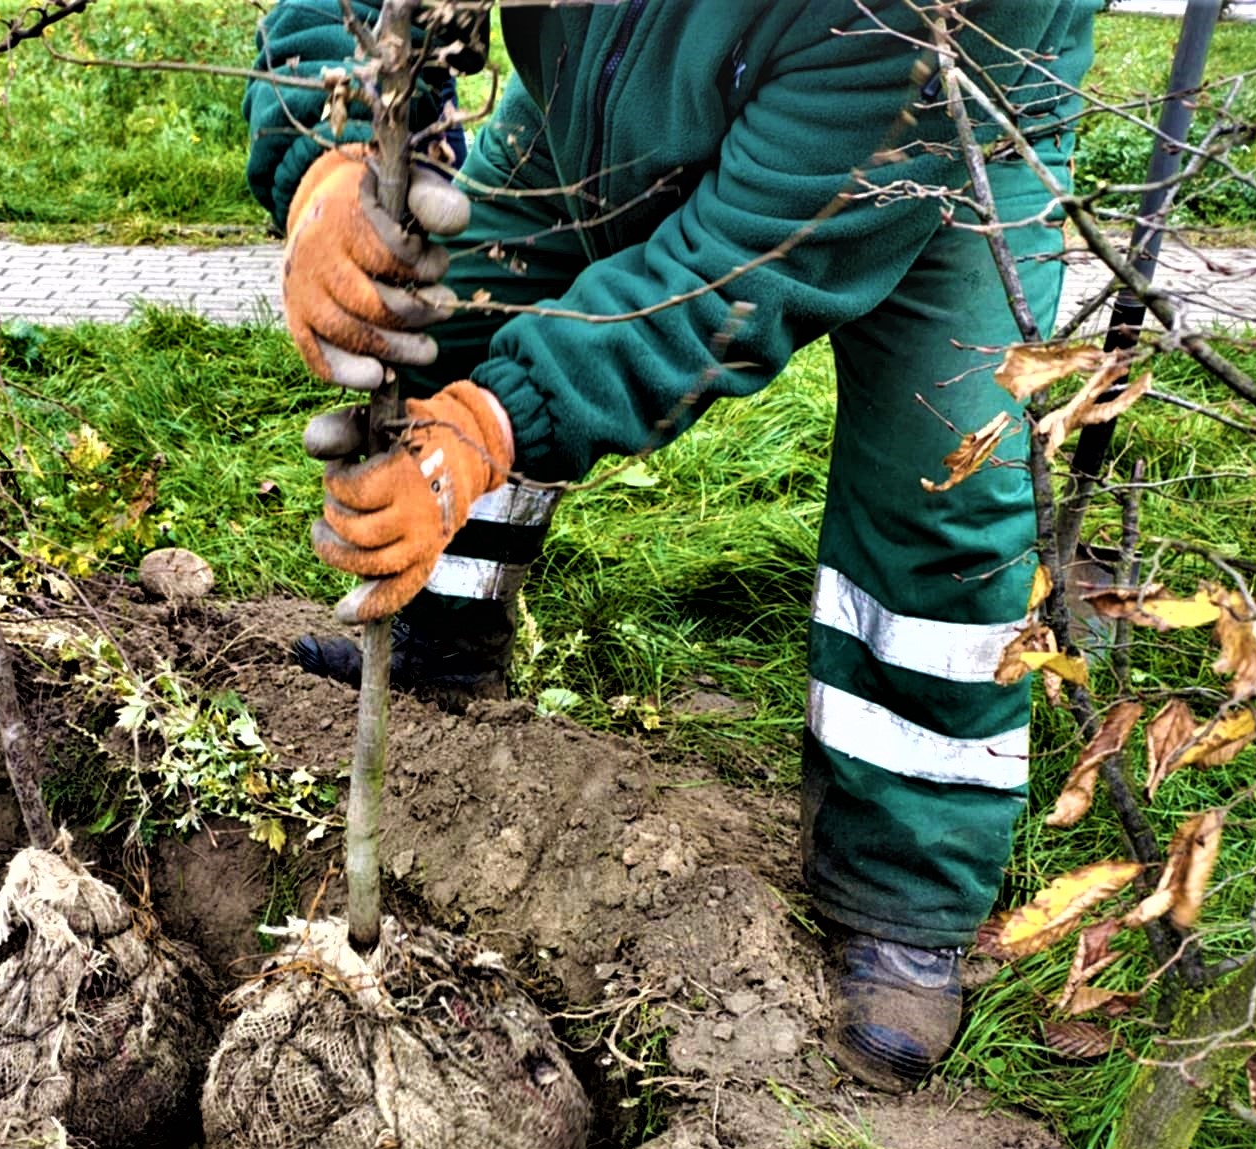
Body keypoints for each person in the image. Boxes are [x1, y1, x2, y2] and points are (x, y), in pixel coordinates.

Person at [245, 0, 1100, 1093]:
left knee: (940, 480)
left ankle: (904, 891)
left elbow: (737, 270)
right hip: (596, 98)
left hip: (931, 146)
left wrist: (490, 428)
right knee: (446, 301)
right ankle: (440, 632)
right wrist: (329, 159)